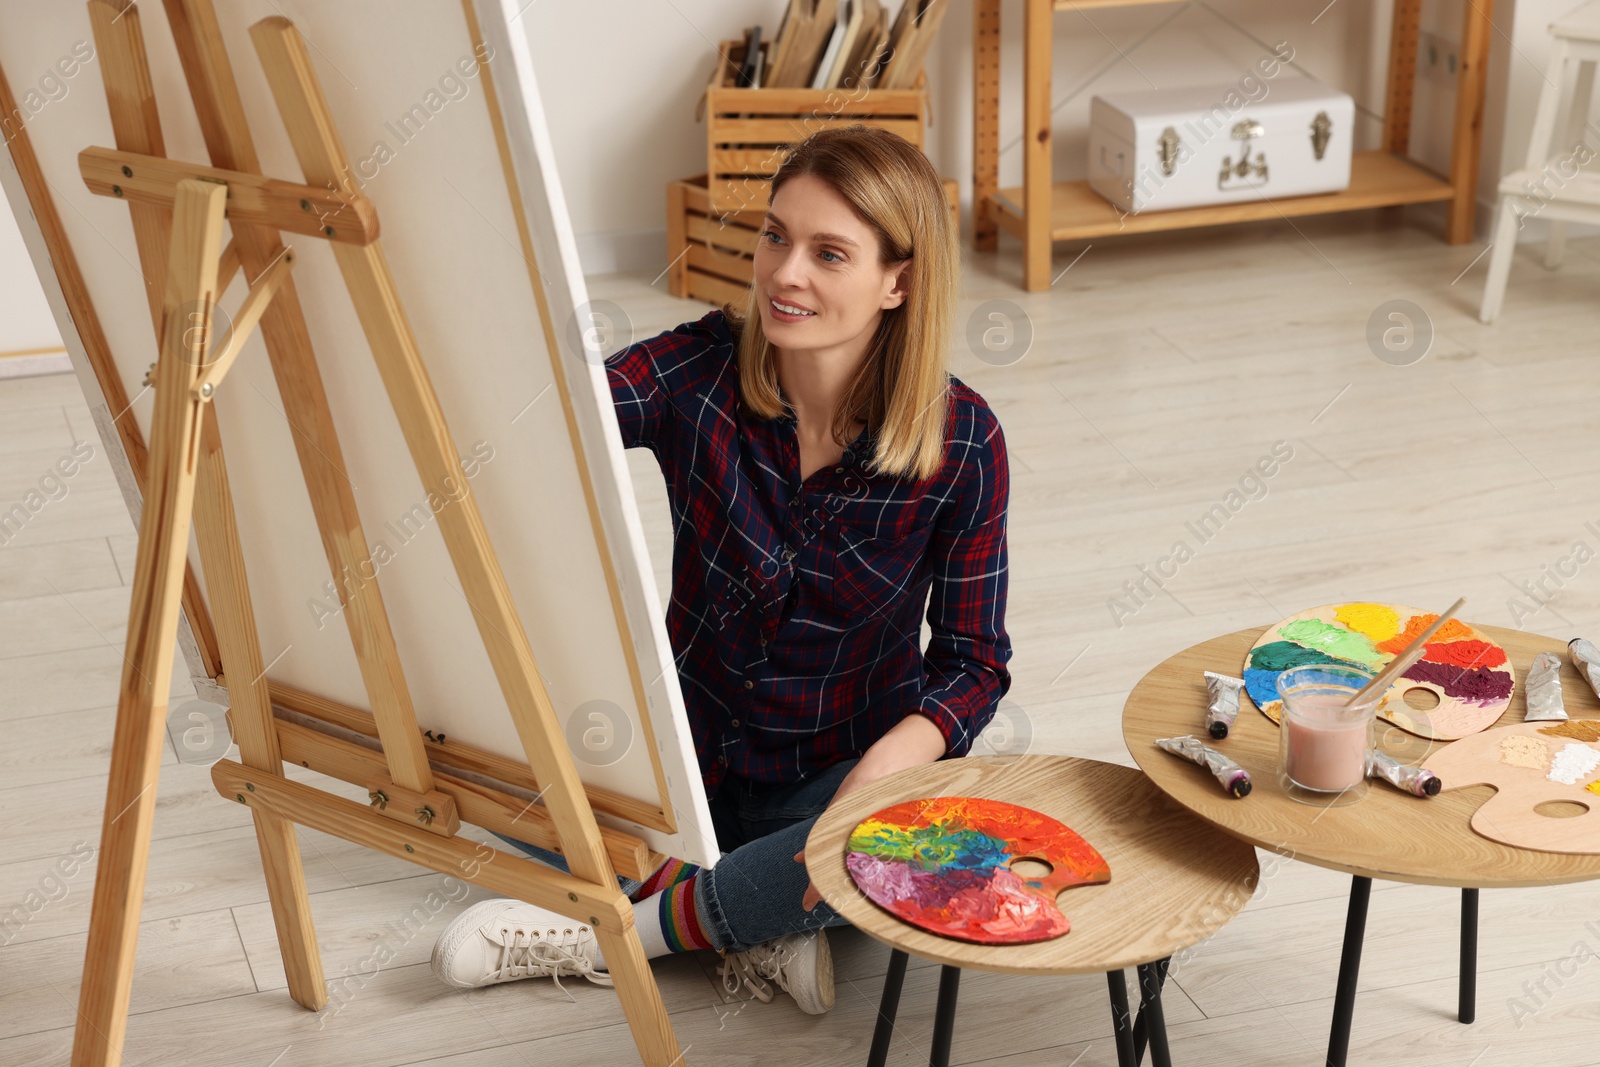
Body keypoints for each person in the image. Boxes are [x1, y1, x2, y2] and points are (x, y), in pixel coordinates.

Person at [430, 124, 1012, 1015]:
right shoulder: (698, 368)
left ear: (898, 281)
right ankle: (744, 919)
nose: (785, 273)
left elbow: (974, 660)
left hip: (833, 775)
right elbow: (550, 417)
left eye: (829, 253)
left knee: (909, 839)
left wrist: (892, 760)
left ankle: (616, 936)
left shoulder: (965, 442)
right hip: (680, 758)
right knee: (496, 759)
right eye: (776, 236)